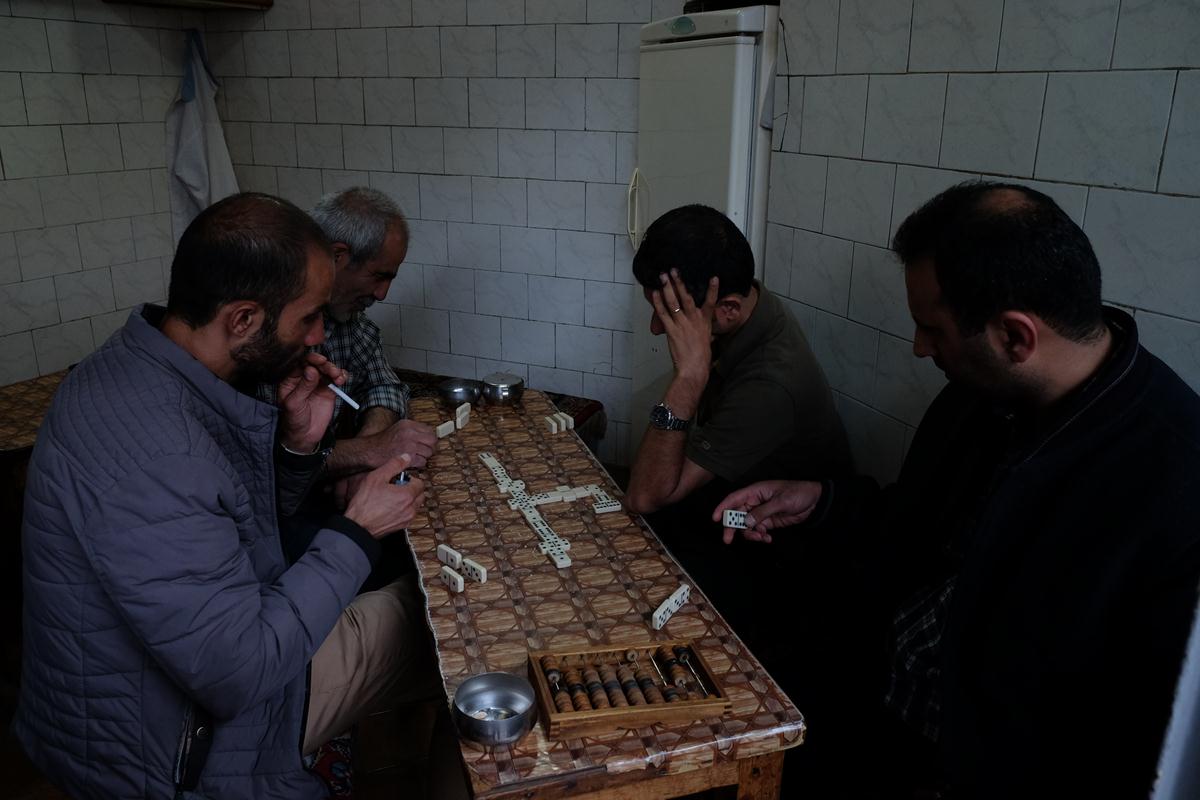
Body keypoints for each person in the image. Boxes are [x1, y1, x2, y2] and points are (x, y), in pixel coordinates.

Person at [715, 182, 1200, 798]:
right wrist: (822, 500)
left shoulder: (1173, 484)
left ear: (1016, 337)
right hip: (869, 701)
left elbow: (1120, 740)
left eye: (932, 330)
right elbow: (914, 524)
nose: (921, 349)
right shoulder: (981, 397)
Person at [14, 193, 438, 799]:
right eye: (308, 318)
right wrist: (357, 528)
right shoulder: (161, 454)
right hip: (177, 747)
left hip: (166, 688)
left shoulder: (144, 366)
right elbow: (237, 672)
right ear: (242, 320)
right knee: (441, 618)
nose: (320, 335)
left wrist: (296, 448)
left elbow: (228, 527)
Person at [622, 204, 852, 679]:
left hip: (782, 563)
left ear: (726, 308)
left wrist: (689, 376)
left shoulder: (771, 384)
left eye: (668, 315)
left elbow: (646, 495)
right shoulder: (743, 308)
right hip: (727, 498)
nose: (655, 329)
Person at [261, 187, 436, 511]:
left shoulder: (349, 320)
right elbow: (263, 463)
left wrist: (365, 453)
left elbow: (385, 386)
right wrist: (369, 451)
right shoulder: (260, 334)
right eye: (378, 276)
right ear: (337, 255)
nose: (382, 294)